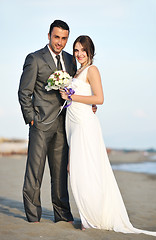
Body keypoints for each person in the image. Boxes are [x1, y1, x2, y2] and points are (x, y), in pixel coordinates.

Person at [60, 35, 156, 238]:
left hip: (84, 125)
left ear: (90, 52)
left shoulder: (92, 70)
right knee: (77, 170)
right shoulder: (76, 71)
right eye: (76, 50)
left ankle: (91, 218)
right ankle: (89, 216)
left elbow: (99, 98)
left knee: (86, 171)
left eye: (83, 51)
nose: (79, 54)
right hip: (72, 123)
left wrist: (72, 96)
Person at [18, 20, 77, 223]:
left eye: (64, 38)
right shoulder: (34, 59)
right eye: (56, 37)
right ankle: (34, 217)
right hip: (40, 125)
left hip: (63, 125)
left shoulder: (70, 60)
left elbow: (74, 89)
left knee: (60, 174)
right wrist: (31, 119)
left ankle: (62, 214)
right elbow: (24, 92)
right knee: (35, 174)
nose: (60, 42)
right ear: (49, 36)